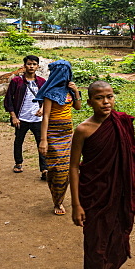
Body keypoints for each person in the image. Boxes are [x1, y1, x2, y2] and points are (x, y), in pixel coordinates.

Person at [70, 81, 135, 269]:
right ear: (89, 102)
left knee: (116, 235)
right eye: (99, 98)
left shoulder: (121, 123)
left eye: (110, 96)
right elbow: (73, 168)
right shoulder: (83, 130)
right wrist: (76, 204)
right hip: (94, 195)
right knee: (96, 240)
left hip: (117, 192)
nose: (106, 102)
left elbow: (129, 157)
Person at [35, 60, 82, 216]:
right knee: (56, 170)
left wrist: (76, 92)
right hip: (53, 135)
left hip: (68, 135)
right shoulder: (50, 93)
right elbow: (46, 117)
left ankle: (59, 199)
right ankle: (57, 200)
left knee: (66, 170)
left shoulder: (69, 91)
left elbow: (78, 107)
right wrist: (43, 140)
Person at [4, 55, 46, 175]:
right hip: (21, 118)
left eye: (34, 64)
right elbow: (9, 100)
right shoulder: (16, 81)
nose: (31, 66)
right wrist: (13, 116)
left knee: (41, 142)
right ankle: (18, 163)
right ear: (24, 66)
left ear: (38, 66)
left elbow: (46, 98)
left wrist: (42, 109)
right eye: (29, 64)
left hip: (38, 119)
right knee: (18, 141)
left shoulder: (42, 82)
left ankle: (44, 169)